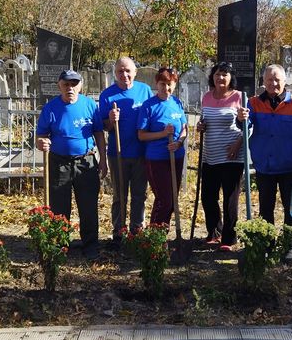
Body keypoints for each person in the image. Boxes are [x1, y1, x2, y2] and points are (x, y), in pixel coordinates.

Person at [36, 69, 108, 261]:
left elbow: (99, 133)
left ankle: (91, 245)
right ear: (59, 86)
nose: (70, 88)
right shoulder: (50, 109)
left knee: (88, 206)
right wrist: (42, 143)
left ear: (80, 86)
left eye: (74, 84)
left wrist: (103, 160)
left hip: (86, 162)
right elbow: (40, 137)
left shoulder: (90, 105)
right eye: (66, 84)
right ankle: (60, 243)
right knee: (59, 207)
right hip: (59, 163)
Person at [238, 64, 292, 230]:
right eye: (269, 79)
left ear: (285, 81)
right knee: (265, 209)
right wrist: (241, 118)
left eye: (277, 80)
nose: (273, 83)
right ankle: (266, 244)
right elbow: (246, 125)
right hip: (265, 167)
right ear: (264, 81)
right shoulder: (253, 103)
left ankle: (289, 246)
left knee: (291, 209)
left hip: (289, 167)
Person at [99, 57, 154, 247]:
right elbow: (103, 126)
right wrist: (110, 119)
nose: (125, 75)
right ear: (115, 74)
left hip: (140, 153)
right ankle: (118, 232)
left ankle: (137, 231)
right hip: (118, 154)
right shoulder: (107, 95)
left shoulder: (144, 91)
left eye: (128, 71)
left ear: (135, 72)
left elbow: (151, 117)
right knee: (119, 196)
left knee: (139, 195)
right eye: (120, 71)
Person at [196, 62, 244, 251]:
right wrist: (201, 127)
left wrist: (238, 143)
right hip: (210, 156)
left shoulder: (239, 97)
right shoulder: (207, 97)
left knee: (230, 199)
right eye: (217, 74)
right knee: (208, 196)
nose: (220, 78)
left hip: (232, 156)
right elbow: (204, 120)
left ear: (231, 78)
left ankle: (229, 238)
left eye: (224, 74)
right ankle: (215, 231)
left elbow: (249, 126)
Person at [137, 67, 187, 227]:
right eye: (162, 84)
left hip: (176, 157)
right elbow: (142, 135)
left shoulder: (176, 102)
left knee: (172, 198)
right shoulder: (149, 106)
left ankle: (162, 234)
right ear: (156, 84)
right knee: (164, 199)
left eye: (169, 84)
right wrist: (163, 133)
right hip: (157, 159)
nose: (166, 88)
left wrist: (179, 142)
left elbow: (185, 128)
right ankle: (154, 238)